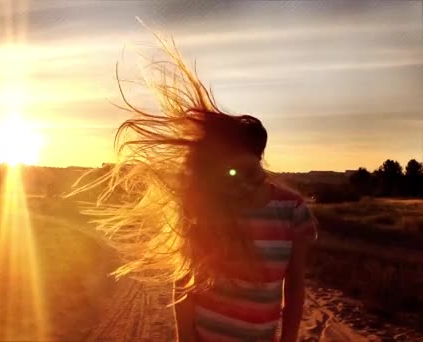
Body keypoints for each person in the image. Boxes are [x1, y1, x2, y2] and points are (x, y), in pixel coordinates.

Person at [69, 34, 318, 342]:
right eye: (230, 169)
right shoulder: (207, 206)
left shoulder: (292, 212)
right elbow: (187, 283)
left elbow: (294, 287)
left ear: (260, 158)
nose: (239, 178)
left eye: (246, 168)